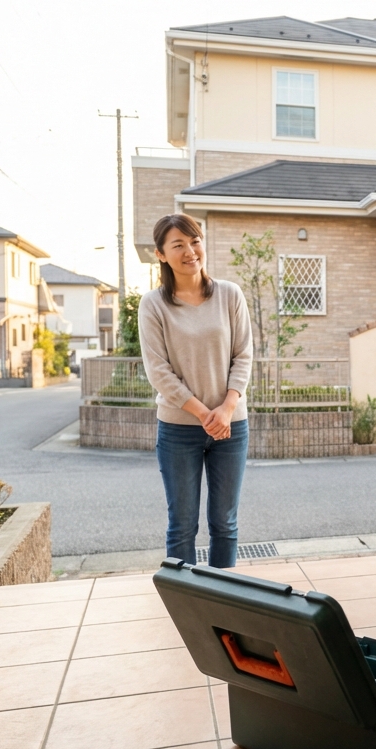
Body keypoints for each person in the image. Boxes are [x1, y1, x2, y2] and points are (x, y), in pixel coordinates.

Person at [139, 213, 254, 568]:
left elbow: (243, 355)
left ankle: (223, 611)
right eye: (178, 245)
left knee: (225, 523)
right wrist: (205, 414)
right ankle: (188, 610)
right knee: (182, 526)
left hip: (230, 427)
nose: (190, 251)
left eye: (195, 241)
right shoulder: (154, 305)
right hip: (178, 430)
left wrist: (226, 409)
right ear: (161, 254)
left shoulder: (230, 294)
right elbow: (159, 371)